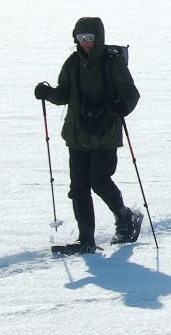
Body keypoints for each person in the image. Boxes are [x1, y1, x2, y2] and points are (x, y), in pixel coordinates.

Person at [34, 17, 143, 254]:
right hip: (78, 133)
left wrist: (124, 106)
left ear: (99, 38)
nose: (85, 42)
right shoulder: (73, 63)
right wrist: (48, 93)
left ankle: (125, 218)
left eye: (89, 38)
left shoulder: (112, 63)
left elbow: (131, 91)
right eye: (80, 38)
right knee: (79, 187)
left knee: (99, 180)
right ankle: (86, 241)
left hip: (105, 133)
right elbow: (64, 94)